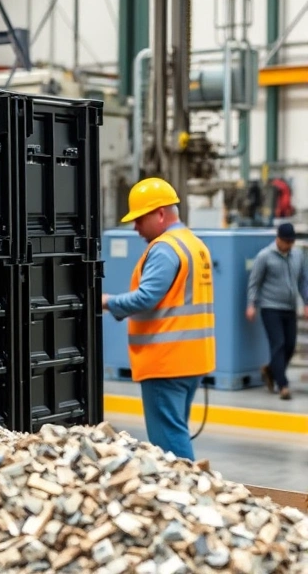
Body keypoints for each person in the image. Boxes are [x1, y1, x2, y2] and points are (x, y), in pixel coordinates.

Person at [101, 177, 215, 461]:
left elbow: (146, 298)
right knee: (176, 430)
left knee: (169, 444)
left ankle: (184, 498)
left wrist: (105, 301)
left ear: (161, 213)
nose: (135, 227)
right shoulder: (194, 244)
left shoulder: (165, 248)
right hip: (192, 359)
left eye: (140, 219)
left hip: (166, 362)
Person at [246, 222, 308, 401]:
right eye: (286, 242)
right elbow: (254, 282)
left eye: (291, 242)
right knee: (278, 344)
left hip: (289, 308)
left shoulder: (297, 256)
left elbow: (303, 280)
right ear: (278, 239)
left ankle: (270, 370)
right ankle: (283, 386)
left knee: (290, 345)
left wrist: (306, 302)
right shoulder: (265, 256)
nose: (289, 245)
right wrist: (251, 304)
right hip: (270, 307)